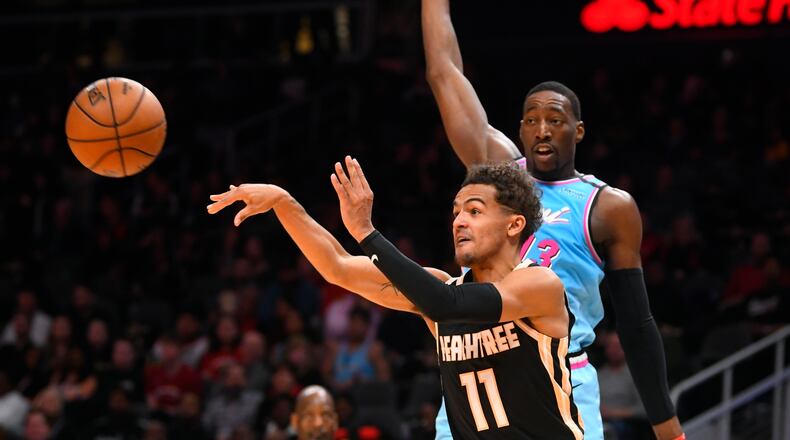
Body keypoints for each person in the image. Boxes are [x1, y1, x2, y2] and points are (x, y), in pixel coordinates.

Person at [420, 0, 684, 438]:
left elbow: (636, 323)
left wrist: (666, 424)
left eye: (555, 120)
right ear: (520, 130)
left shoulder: (607, 207)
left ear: (577, 131)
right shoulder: (497, 172)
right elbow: (443, 72)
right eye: (532, 120)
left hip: (559, 369)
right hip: (474, 365)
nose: (542, 130)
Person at [208, 158, 584, 438]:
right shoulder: (440, 290)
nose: (459, 221)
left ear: (514, 224)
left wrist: (367, 233)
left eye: (474, 211)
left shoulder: (538, 285)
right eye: (455, 213)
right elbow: (338, 266)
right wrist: (284, 204)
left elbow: (444, 306)